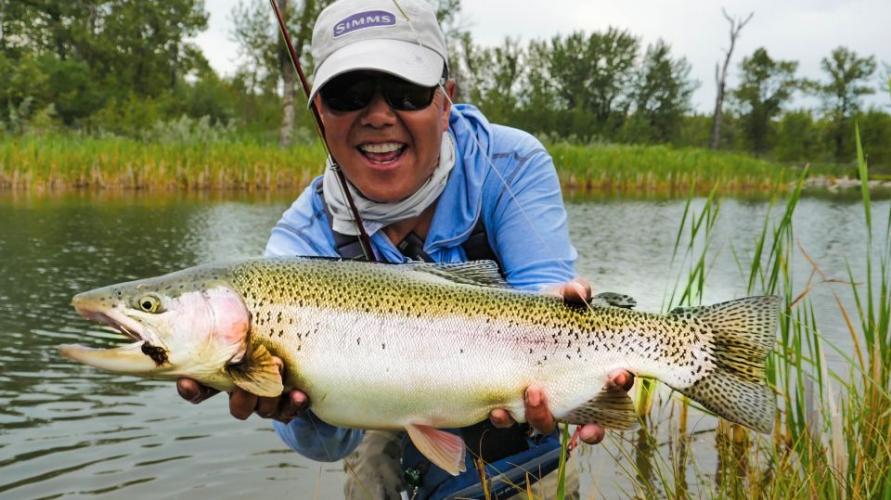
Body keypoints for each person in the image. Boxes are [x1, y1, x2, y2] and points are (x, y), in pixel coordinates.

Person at [176, 0, 633, 498]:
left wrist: (585, 391)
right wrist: (289, 403)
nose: (378, 115)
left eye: (406, 92)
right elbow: (325, 446)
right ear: (320, 114)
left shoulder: (512, 162)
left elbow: (544, 306)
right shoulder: (298, 241)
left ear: (445, 102)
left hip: (508, 407)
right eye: (349, 94)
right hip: (381, 414)